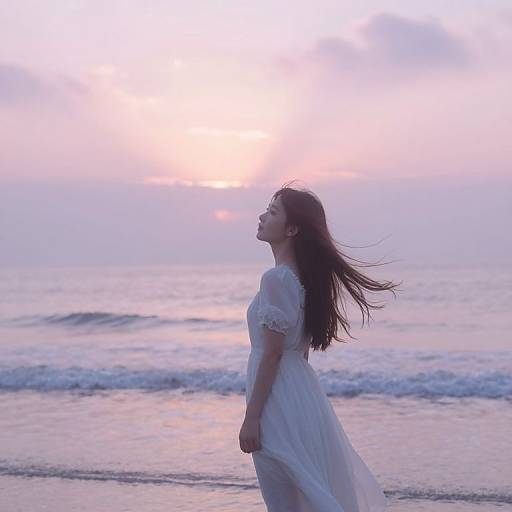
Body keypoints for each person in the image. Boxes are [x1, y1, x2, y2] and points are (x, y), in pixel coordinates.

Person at [239, 183, 400, 511]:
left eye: (271, 212)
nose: (261, 216)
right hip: (301, 394)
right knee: (307, 491)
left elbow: (272, 354)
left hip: (277, 401)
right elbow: (299, 351)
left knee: (285, 502)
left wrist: (252, 417)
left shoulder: (276, 279)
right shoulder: (303, 280)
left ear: (292, 228)